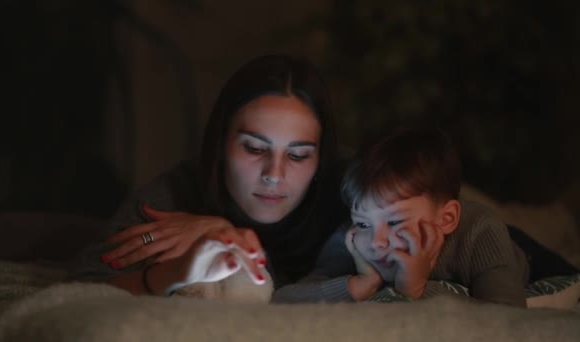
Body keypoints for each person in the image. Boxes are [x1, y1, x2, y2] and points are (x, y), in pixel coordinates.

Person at [70, 54, 349, 297]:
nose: (274, 174)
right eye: (254, 148)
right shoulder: (176, 194)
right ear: (221, 144)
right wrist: (175, 269)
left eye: (298, 155)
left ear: (321, 158)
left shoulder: (354, 194)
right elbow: (83, 287)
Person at [273, 127, 535, 307]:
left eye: (395, 222)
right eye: (364, 222)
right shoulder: (355, 237)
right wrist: (358, 285)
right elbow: (285, 299)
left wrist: (416, 289)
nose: (376, 241)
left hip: (519, 251)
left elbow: (507, 314)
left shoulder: (481, 232)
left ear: (446, 219)